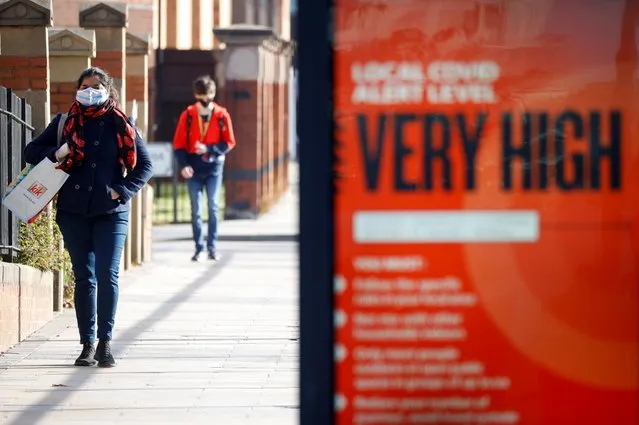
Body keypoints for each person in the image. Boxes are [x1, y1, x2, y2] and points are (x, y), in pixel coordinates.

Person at [24, 67, 153, 368]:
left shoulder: (123, 124)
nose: (90, 91)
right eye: (85, 86)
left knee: (107, 275)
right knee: (85, 278)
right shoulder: (65, 122)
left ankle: (105, 343)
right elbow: (32, 151)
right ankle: (86, 344)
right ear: (77, 89)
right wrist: (59, 151)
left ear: (108, 90)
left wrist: (121, 190)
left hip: (111, 212)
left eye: (96, 86)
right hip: (73, 211)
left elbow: (144, 167)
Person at [172, 75, 236, 262]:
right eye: (201, 98)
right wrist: (184, 165)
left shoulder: (222, 115)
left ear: (213, 94)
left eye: (208, 98)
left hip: (214, 166)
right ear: (195, 95)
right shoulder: (189, 115)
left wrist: (209, 148)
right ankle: (199, 247)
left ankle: (212, 247)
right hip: (193, 166)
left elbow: (230, 141)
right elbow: (178, 144)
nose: (205, 102)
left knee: (214, 206)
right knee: (196, 209)